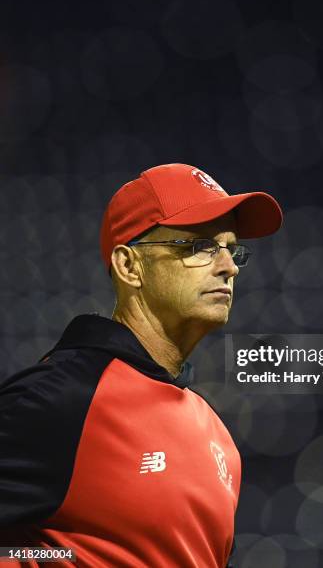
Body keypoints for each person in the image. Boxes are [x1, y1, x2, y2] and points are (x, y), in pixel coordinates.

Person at [0, 163, 282, 567]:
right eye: (201, 246)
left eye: (231, 248)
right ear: (129, 266)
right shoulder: (62, 399)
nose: (229, 266)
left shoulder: (216, 434)